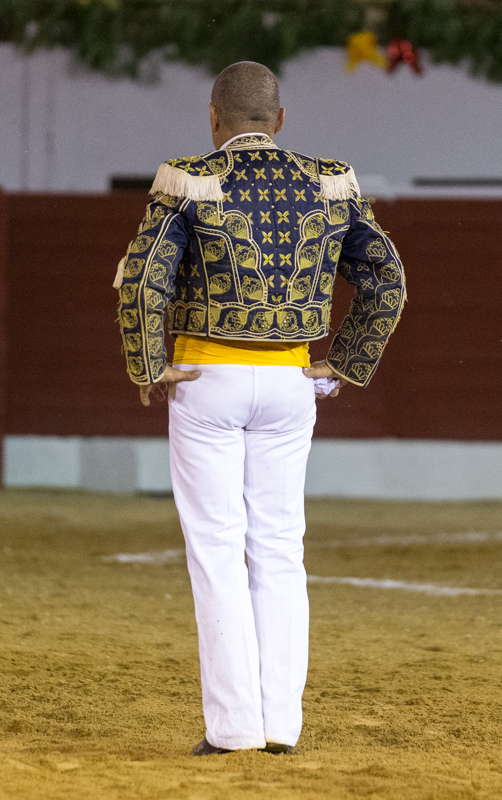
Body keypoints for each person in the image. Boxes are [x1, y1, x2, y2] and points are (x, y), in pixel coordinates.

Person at [115, 61, 405, 756]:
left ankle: (234, 728)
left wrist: (148, 363)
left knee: (217, 551)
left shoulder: (188, 179)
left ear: (213, 119)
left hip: (206, 376)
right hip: (289, 380)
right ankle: (281, 725)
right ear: (279, 121)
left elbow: (142, 280)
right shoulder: (330, 181)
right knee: (279, 548)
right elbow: (387, 279)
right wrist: (345, 360)